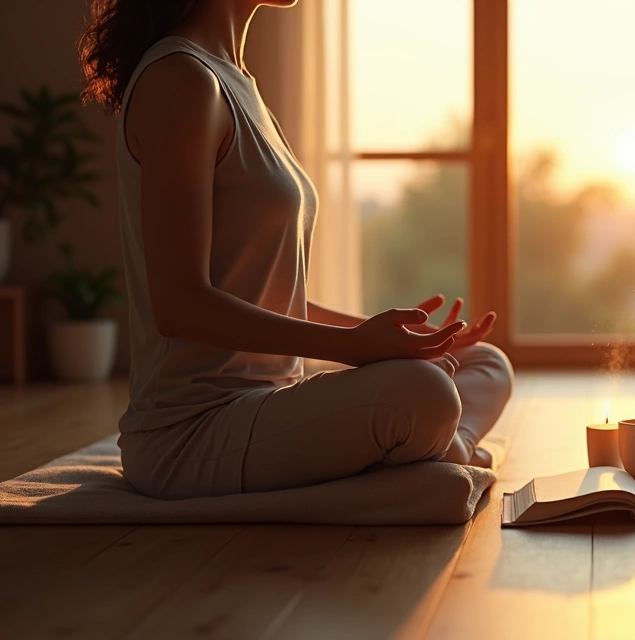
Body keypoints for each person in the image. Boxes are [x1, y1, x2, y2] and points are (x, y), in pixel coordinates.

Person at [78, 0, 512, 500]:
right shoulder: (180, 79)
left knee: (484, 363)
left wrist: (402, 340)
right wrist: (352, 349)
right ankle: (449, 452)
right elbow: (179, 305)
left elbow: (263, 296)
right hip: (189, 433)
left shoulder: (237, 82)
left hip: (269, 404)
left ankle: (435, 448)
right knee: (426, 394)